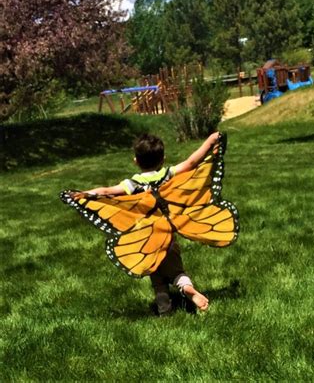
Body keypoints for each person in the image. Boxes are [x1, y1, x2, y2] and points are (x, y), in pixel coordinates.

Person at [79, 131, 221, 316]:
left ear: (136, 161)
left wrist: (82, 194)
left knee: (157, 276)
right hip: (168, 235)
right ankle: (186, 288)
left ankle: (164, 310)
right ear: (163, 159)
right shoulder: (167, 174)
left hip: (147, 239)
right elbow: (192, 162)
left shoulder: (133, 183)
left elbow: (106, 191)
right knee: (176, 270)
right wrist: (210, 141)